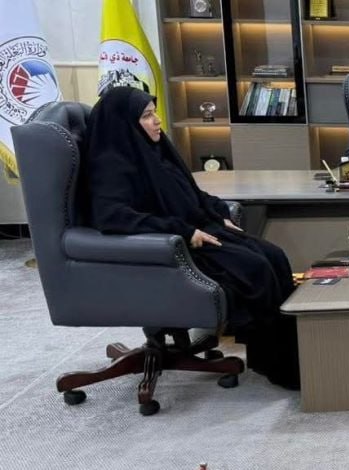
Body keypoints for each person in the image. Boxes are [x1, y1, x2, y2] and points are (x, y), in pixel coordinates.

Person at [84, 86, 300, 390]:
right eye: (146, 116)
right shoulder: (111, 164)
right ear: (125, 124)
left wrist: (219, 212)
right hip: (169, 249)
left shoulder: (156, 152)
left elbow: (191, 195)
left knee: (274, 255)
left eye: (154, 113)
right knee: (255, 268)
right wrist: (184, 232)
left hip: (197, 231)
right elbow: (113, 217)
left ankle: (286, 355)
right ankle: (276, 363)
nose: (157, 121)